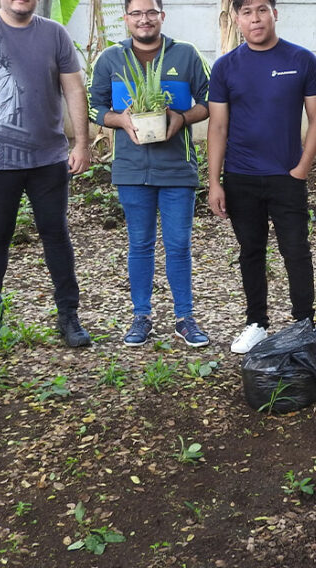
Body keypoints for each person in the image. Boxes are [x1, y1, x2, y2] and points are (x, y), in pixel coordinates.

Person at [0, 0, 93, 354]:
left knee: (56, 235)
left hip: (48, 159)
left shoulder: (55, 33)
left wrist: (83, 142)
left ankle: (68, 316)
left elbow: (73, 88)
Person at [90, 0, 212, 348]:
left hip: (177, 169)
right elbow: (93, 105)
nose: (144, 19)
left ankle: (184, 318)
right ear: (126, 18)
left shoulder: (187, 54)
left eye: (151, 12)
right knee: (139, 245)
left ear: (162, 16)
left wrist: (182, 117)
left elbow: (210, 100)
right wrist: (120, 120)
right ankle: (141, 316)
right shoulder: (111, 58)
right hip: (131, 170)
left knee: (178, 245)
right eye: (136, 13)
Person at [206, 0, 316, 354]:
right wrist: (214, 181)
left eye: (262, 9)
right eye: (246, 12)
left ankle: (304, 324)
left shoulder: (301, 60)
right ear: (237, 19)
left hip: (286, 176)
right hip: (241, 176)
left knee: (296, 251)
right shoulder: (226, 66)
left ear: (276, 13)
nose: (255, 18)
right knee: (251, 251)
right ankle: (256, 322)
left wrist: (302, 167)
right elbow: (218, 126)